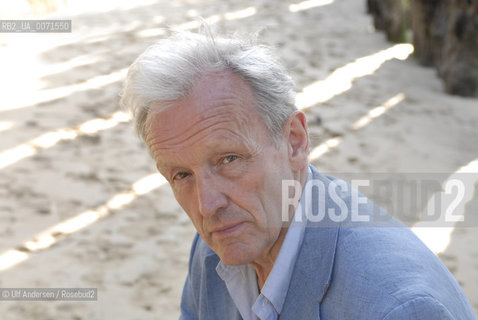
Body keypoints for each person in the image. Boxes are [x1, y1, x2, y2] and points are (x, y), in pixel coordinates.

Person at [120, 29, 476, 320]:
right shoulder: (218, 245)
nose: (207, 204)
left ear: (294, 142)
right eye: (181, 175)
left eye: (229, 159)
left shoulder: (399, 309)